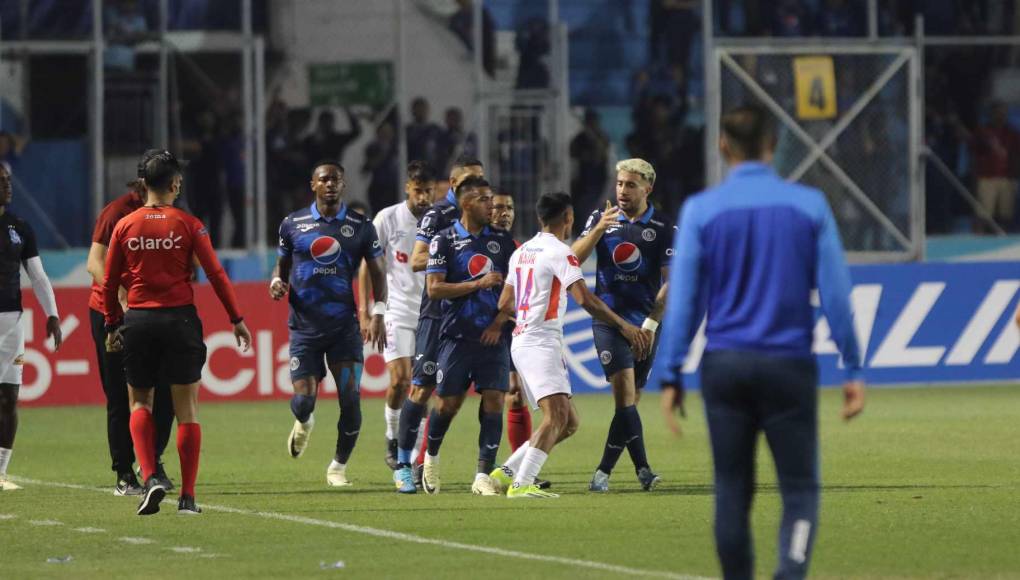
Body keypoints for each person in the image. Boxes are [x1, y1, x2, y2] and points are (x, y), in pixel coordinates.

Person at [655, 105, 866, 579]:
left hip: (724, 365)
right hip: (788, 365)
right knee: (799, 490)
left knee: (732, 488)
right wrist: (853, 367)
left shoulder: (700, 210)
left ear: (723, 146)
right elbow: (836, 295)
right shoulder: (810, 205)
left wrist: (670, 372)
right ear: (774, 145)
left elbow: (686, 300)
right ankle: (789, 573)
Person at [102, 150, 251, 516]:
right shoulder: (188, 224)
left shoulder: (126, 225)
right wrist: (236, 317)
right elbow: (216, 274)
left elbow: (108, 282)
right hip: (180, 321)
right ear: (175, 184)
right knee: (187, 410)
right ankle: (187, 497)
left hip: (138, 320)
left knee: (140, 403)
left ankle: (150, 476)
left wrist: (110, 322)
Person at [488, 192, 648, 499]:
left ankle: (504, 474)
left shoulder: (522, 252)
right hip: (540, 341)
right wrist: (624, 326)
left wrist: (527, 316)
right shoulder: (561, 252)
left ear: (540, 219)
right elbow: (584, 300)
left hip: (522, 341)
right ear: (569, 219)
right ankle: (522, 484)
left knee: (568, 422)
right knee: (557, 416)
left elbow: (504, 303)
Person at [270, 162, 387, 488]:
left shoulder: (360, 225)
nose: (330, 184)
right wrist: (276, 283)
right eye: (324, 179)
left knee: (350, 399)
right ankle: (303, 421)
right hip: (304, 327)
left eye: (336, 179)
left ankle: (338, 467)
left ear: (343, 185)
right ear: (313, 185)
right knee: (305, 400)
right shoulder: (292, 224)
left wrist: (378, 311)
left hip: (343, 328)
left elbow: (378, 272)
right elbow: (280, 268)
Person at [571, 158, 674, 492]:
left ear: (648, 188)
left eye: (630, 185)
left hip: (646, 325)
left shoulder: (662, 226)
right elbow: (572, 258)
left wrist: (649, 324)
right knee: (625, 396)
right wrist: (599, 228)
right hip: (609, 321)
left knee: (631, 401)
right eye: (619, 184)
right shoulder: (602, 219)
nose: (622, 191)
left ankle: (603, 473)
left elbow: (671, 283)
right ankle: (643, 470)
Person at [391, 156, 484, 493]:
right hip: (436, 313)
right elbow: (417, 260)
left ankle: (425, 460)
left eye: (482, 181)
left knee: (453, 399)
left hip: (471, 317)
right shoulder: (437, 215)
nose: (480, 188)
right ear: (456, 183)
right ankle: (402, 463)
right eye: (473, 181)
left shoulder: (485, 219)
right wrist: (450, 257)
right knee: (421, 389)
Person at [86, 149, 175, 496]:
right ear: (145, 180)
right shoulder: (117, 212)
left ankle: (151, 459)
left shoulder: (171, 213)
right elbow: (95, 263)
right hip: (113, 313)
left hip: (153, 313)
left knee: (167, 390)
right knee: (120, 397)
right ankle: (124, 472)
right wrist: (122, 295)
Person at [418, 176, 514, 495]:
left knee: (495, 400)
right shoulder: (443, 240)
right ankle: (430, 458)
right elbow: (434, 288)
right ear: (466, 202)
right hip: (456, 336)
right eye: (485, 199)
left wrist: (498, 322)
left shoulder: (502, 241)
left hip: (492, 337)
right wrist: (477, 284)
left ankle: (482, 475)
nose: (493, 205)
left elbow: (514, 288)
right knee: (448, 404)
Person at [357, 161, 435, 472]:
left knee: (422, 386)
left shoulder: (438, 221)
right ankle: (392, 434)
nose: (424, 198)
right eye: (418, 191)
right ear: (407, 188)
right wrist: (367, 312)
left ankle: (413, 449)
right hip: (396, 310)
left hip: (430, 312)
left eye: (429, 192)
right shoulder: (387, 218)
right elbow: (369, 266)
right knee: (400, 380)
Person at [0, 164, 62, 491]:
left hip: (12, 326)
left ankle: (0, 473)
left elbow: (37, 276)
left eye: (9, 180)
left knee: (9, 398)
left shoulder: (20, 228)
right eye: (1, 181)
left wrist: (52, 314)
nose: (7, 186)